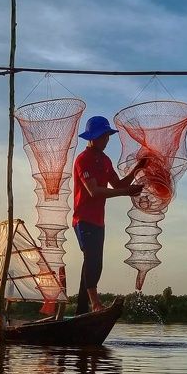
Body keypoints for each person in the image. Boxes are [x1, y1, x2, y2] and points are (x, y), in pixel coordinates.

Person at [72, 115, 145, 315]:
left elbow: (119, 184)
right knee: (92, 259)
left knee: (95, 262)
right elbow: (94, 191)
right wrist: (126, 192)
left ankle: (81, 311)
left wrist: (136, 170)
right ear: (93, 137)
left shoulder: (105, 160)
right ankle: (95, 304)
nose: (106, 140)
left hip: (98, 221)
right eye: (103, 136)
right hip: (83, 219)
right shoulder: (83, 160)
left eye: (107, 136)